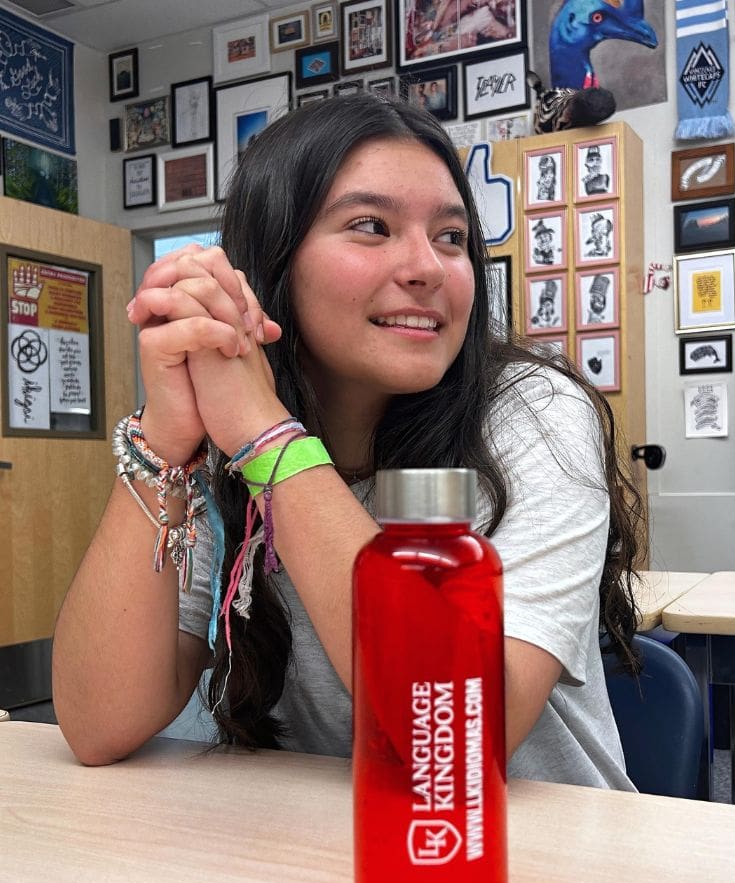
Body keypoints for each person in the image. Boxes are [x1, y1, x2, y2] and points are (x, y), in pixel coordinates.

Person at [52, 94, 643, 791]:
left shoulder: (533, 413)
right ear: (272, 261)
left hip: (522, 860)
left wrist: (266, 437)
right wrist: (165, 444)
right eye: (371, 226)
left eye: (451, 237)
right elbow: (98, 725)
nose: (428, 266)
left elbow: (449, 739)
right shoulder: (230, 442)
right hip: (320, 855)